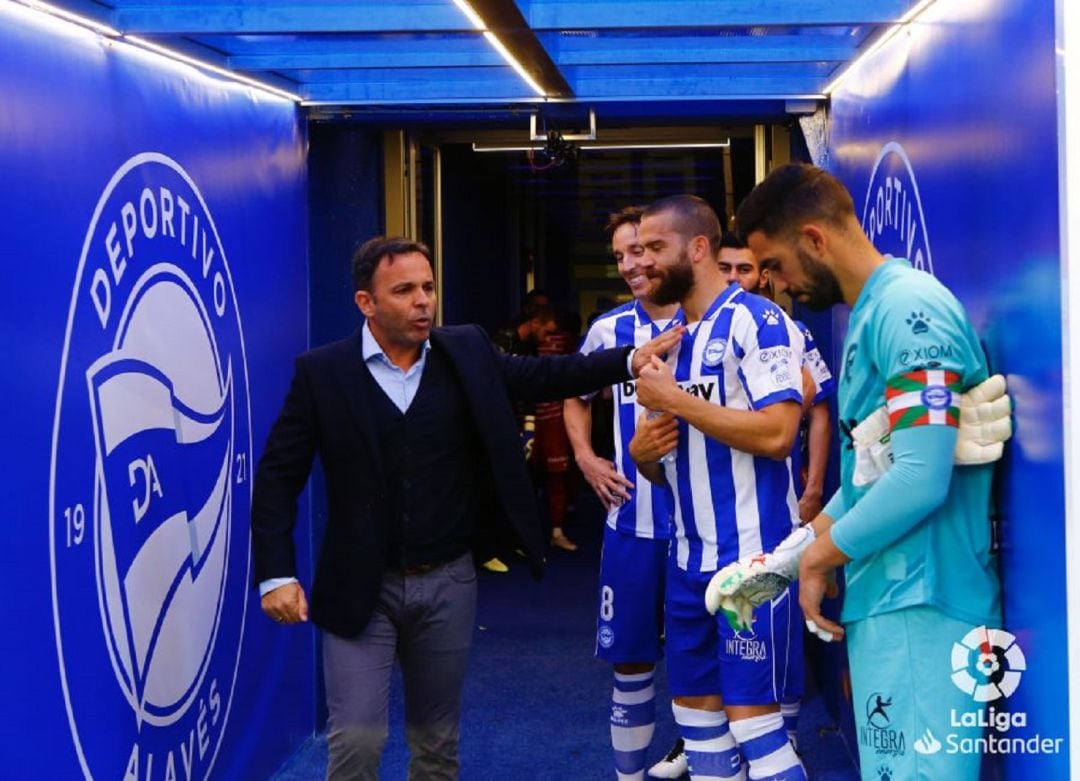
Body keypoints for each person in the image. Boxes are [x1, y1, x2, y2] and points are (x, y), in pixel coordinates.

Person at [251, 235, 682, 780]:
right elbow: (277, 476)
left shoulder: (467, 351)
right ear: (367, 303)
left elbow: (547, 376)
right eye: (404, 290)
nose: (422, 301)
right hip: (360, 585)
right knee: (356, 740)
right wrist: (275, 575)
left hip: (447, 583)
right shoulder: (324, 373)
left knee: (437, 743)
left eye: (428, 287)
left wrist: (626, 360)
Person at [715, 163, 1004, 781]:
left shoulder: (908, 310)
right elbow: (873, 471)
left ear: (816, 240)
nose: (775, 285)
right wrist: (791, 558)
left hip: (926, 600)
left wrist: (820, 560)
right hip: (891, 599)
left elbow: (920, 478)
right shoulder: (873, 311)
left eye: (774, 266)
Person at [629, 195, 808, 780]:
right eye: (639, 249)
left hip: (752, 566)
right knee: (700, 734)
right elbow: (665, 462)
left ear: (698, 248)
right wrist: (642, 454)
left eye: (656, 248)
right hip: (687, 564)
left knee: (760, 735)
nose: (644, 262)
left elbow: (781, 433)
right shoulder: (673, 342)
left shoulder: (758, 321)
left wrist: (674, 401)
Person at [563, 207, 685, 781]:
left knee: (703, 658)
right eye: (620, 256)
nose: (630, 264)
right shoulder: (610, 330)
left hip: (710, 529)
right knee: (631, 659)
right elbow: (574, 394)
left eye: (639, 250)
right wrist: (587, 459)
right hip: (632, 523)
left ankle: (702, 755)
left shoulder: (715, 320)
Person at [717, 230, 836, 748]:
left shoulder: (787, 329)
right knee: (710, 636)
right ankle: (713, 739)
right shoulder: (689, 330)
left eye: (745, 270)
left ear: (762, 274)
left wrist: (811, 487)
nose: (735, 280)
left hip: (771, 503)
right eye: (727, 269)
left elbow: (819, 410)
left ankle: (781, 739)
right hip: (702, 513)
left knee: (771, 627)